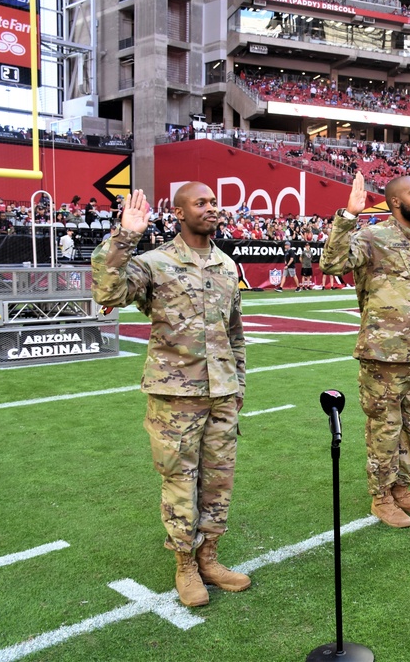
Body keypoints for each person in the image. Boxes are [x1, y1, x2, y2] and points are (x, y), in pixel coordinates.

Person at [91, 184, 250, 607]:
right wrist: (126, 236)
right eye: (201, 203)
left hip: (222, 392)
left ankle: (209, 557)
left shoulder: (226, 264)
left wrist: (239, 387)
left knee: (219, 481)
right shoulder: (154, 262)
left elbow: (235, 334)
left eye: (214, 202)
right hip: (175, 395)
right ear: (178, 213)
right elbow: (108, 294)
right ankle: (185, 565)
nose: (211, 208)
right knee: (180, 480)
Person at [321, 172, 410, 529]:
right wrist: (348, 218)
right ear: (394, 201)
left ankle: (403, 489)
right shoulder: (373, 236)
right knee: (385, 429)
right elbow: (332, 264)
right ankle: (381, 497)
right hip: (384, 355)